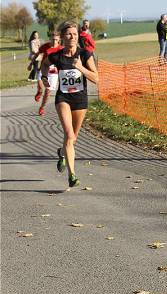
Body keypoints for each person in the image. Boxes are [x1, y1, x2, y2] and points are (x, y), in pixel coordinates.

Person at [41, 20, 98, 187]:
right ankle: (72, 175)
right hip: (63, 99)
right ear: (63, 37)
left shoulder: (85, 55)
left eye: (74, 34)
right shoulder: (56, 56)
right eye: (68, 34)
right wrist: (44, 77)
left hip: (80, 100)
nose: (72, 36)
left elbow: (96, 78)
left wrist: (81, 67)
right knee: (69, 135)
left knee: (72, 139)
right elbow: (44, 65)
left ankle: (62, 152)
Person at [29, 31, 63, 116]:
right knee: (41, 87)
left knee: (48, 92)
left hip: (53, 73)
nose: (54, 41)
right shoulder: (45, 46)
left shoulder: (61, 49)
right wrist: (30, 64)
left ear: (59, 39)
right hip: (43, 70)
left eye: (56, 39)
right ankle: (39, 92)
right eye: (52, 39)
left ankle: (42, 107)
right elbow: (37, 54)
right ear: (50, 39)